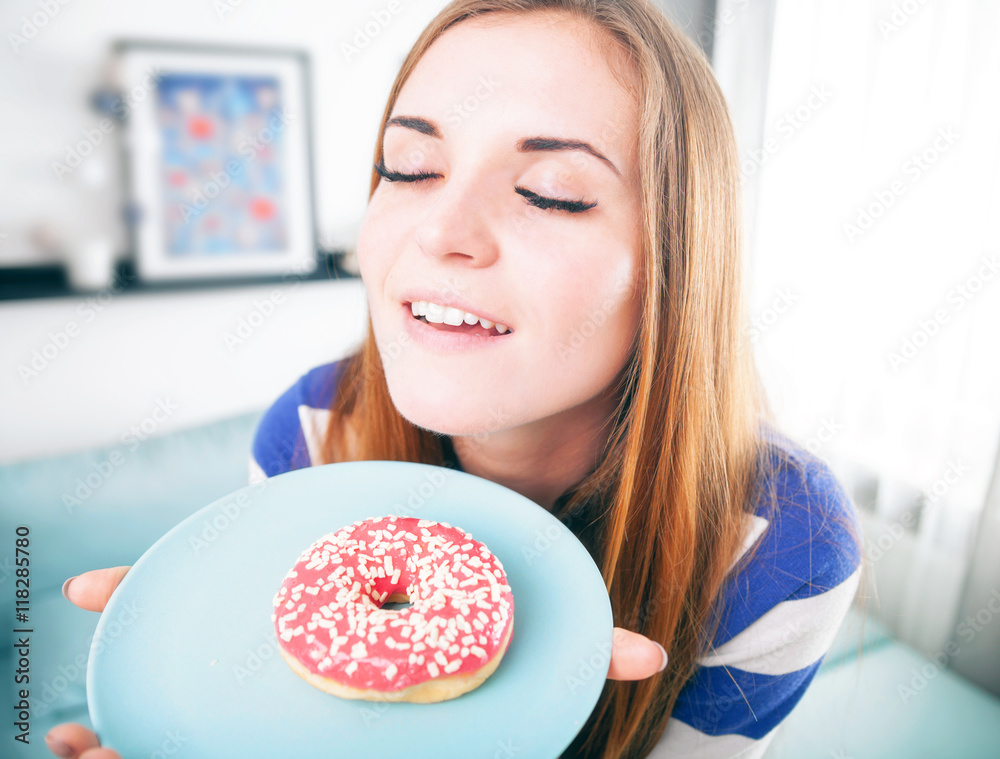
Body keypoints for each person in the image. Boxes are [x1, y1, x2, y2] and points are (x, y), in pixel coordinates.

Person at [47, 1, 863, 758]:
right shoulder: (308, 428)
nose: (440, 231)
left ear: (679, 267)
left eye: (553, 194)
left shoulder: (783, 543)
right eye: (408, 169)